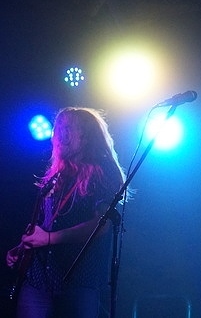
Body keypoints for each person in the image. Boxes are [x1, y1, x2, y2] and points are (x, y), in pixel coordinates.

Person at [5, 107, 125, 317]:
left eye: (68, 128)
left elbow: (101, 225)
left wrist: (50, 239)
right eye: (58, 128)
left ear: (86, 137)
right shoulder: (56, 175)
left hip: (79, 280)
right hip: (38, 277)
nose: (59, 135)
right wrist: (24, 247)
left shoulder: (104, 173)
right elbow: (45, 224)